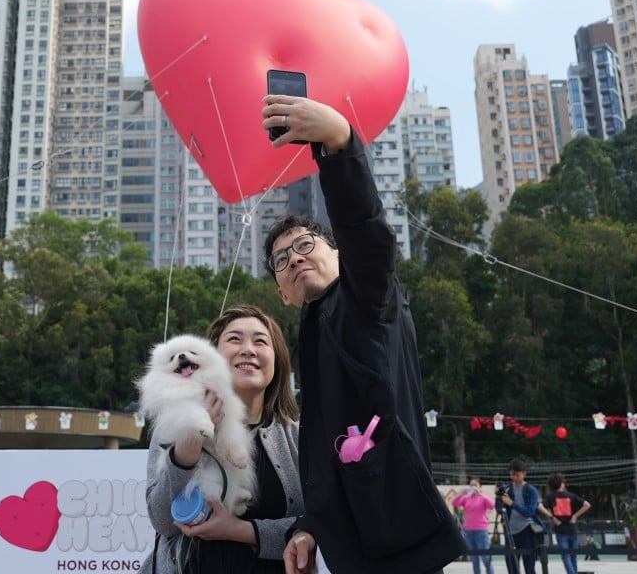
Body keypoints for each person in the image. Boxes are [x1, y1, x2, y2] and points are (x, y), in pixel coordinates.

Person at [261, 95, 465, 574]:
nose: (295, 259)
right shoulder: (313, 336)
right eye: (282, 261)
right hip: (354, 549)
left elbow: (368, 237)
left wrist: (338, 143)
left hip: (399, 541)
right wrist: (311, 524)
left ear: (337, 254)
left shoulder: (368, 302)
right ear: (283, 295)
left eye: (306, 245)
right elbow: (326, 455)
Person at [141, 304, 303, 574]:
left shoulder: (299, 436)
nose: (248, 349)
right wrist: (188, 444)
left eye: (261, 341)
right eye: (234, 339)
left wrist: (242, 531)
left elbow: (319, 526)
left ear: (278, 360)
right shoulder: (172, 422)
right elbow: (163, 521)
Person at [539, 473, 591, 574]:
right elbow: (587, 505)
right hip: (572, 529)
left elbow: (540, 506)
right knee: (573, 556)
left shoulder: (551, 496)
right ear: (561, 484)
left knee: (565, 556)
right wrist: (575, 516)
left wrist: (552, 517)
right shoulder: (571, 496)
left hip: (560, 530)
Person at [499, 459, 544, 574]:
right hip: (510, 533)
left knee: (529, 566)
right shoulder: (507, 489)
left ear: (524, 474)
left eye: (517, 475)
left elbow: (529, 511)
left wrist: (512, 504)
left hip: (527, 531)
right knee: (511, 566)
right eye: (511, 474)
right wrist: (499, 501)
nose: (514, 477)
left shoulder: (531, 490)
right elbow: (500, 509)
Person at [451, 479, 496, 574]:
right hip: (469, 531)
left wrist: (480, 494)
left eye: (475, 485)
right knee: (474, 559)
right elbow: (454, 503)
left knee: (486, 558)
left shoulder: (483, 498)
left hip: (481, 531)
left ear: (480, 487)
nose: (473, 487)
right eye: (471, 485)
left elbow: (492, 505)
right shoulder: (466, 498)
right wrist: (461, 493)